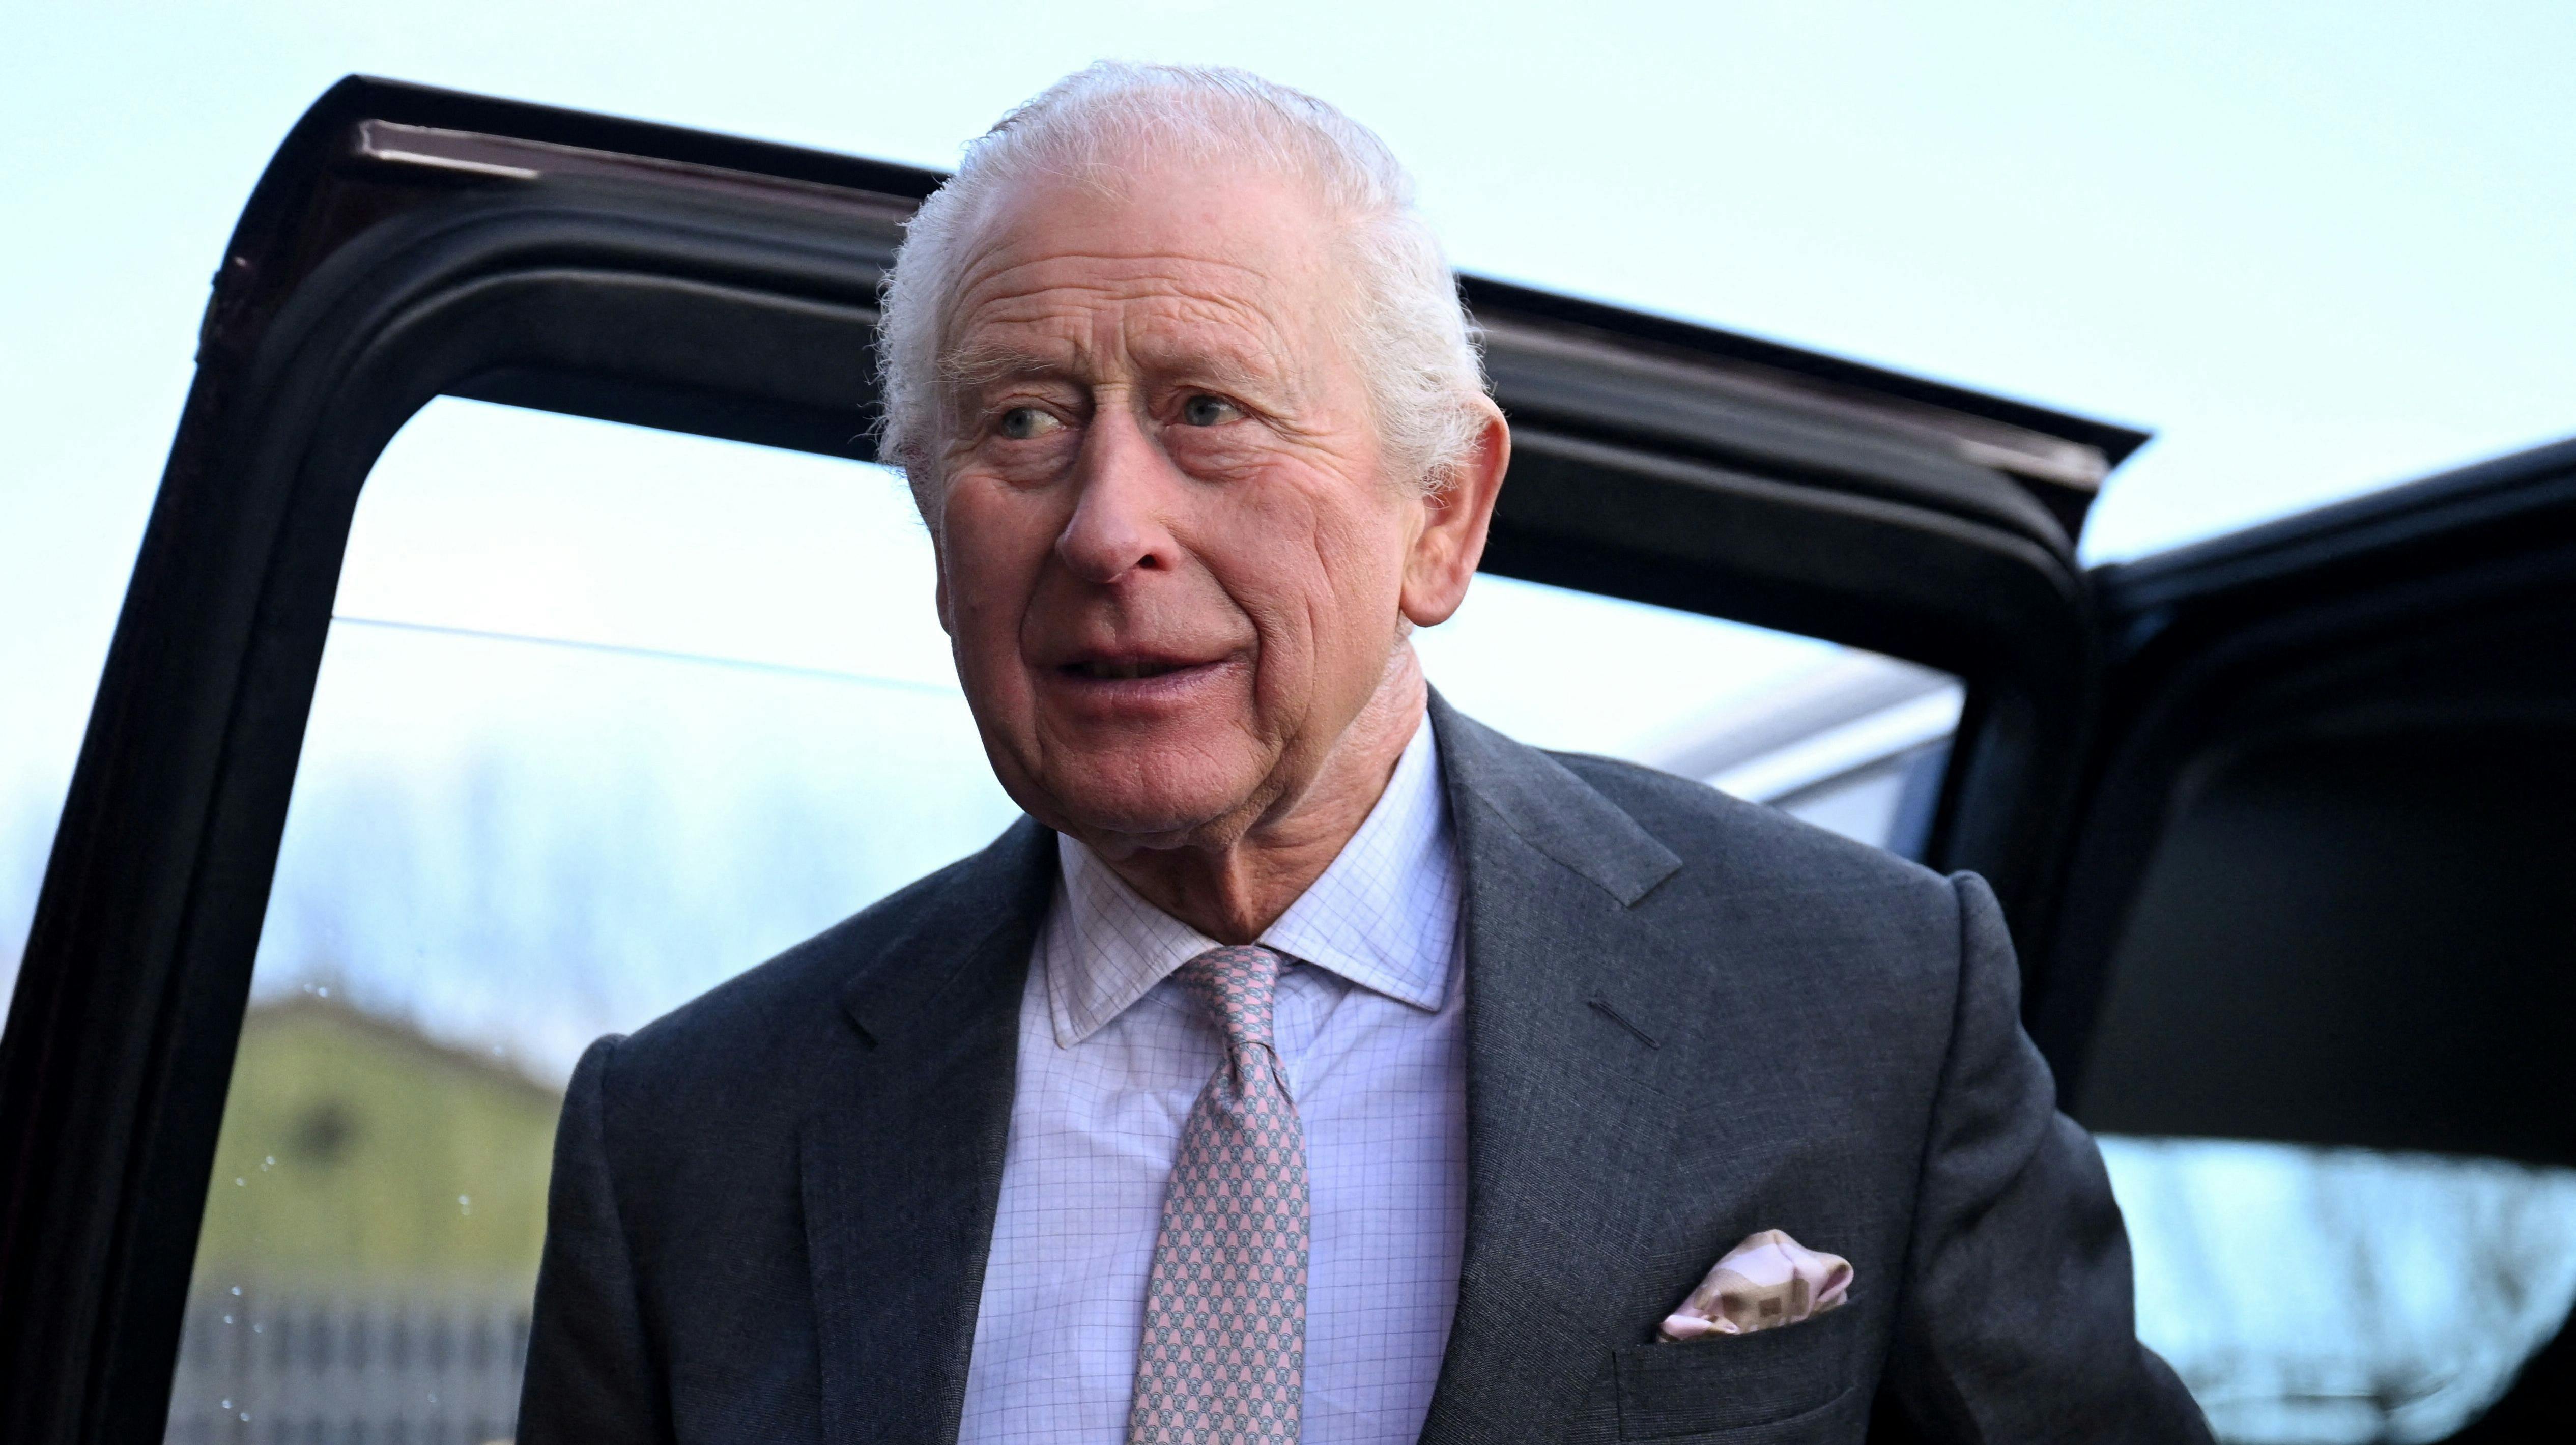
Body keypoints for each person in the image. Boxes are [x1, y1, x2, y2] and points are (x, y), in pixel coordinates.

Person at [516, 62, 2212, 1445]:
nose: (1111, 526)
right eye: (1022, 419)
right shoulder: (691, 1146)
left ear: (1444, 516)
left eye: (1211, 411)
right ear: (931, 530)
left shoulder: (1863, 1007)